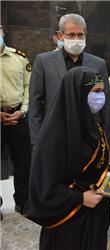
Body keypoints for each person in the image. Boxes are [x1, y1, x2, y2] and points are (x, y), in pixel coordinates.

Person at [26, 66, 110, 250]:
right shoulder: (52, 137)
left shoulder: (92, 125)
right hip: (68, 222)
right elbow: (43, 189)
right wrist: (79, 199)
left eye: (102, 91)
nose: (100, 97)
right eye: (95, 91)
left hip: (94, 215)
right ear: (78, 93)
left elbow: (88, 164)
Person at [29, 13, 110, 146]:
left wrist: (107, 142)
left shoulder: (98, 64)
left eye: (80, 35)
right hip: (54, 137)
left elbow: (106, 105)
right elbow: (35, 104)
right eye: (71, 35)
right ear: (60, 36)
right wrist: (37, 141)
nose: (76, 39)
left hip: (88, 137)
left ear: (86, 35)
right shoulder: (43, 62)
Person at [0, 24, 32, 214]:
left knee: (24, 164)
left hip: (19, 116)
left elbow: (30, 84)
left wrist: (24, 110)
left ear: (2, 32)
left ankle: (24, 202)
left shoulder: (20, 58)